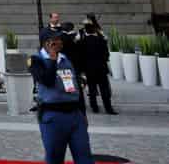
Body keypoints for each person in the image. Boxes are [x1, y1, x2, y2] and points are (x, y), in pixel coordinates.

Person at [29, 27, 93, 164]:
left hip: (75, 116)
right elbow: (47, 80)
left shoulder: (65, 59)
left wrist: (83, 114)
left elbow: (76, 87)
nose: (61, 42)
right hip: (53, 116)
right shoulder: (36, 60)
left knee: (84, 156)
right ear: (48, 43)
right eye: (57, 40)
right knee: (55, 157)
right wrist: (52, 60)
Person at [80, 21, 117, 114]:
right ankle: (108, 108)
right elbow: (106, 55)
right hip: (101, 68)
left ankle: (94, 107)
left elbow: (81, 56)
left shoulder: (83, 42)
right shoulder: (101, 40)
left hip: (89, 69)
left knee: (92, 89)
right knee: (104, 89)